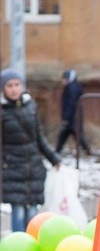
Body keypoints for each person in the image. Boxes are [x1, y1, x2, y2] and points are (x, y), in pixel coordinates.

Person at [1, 68, 61, 233]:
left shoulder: (30, 106)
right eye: (9, 85)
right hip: (12, 169)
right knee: (18, 213)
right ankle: (18, 248)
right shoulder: (2, 111)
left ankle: (32, 248)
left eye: (17, 84)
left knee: (33, 215)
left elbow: (39, 137)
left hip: (33, 167)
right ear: (3, 89)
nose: (14, 89)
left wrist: (54, 158)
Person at [54, 69, 91, 156]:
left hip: (72, 117)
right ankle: (57, 151)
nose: (62, 81)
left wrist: (66, 117)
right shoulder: (73, 86)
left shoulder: (71, 88)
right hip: (74, 116)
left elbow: (70, 103)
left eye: (64, 79)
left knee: (74, 134)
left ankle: (57, 151)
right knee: (68, 134)